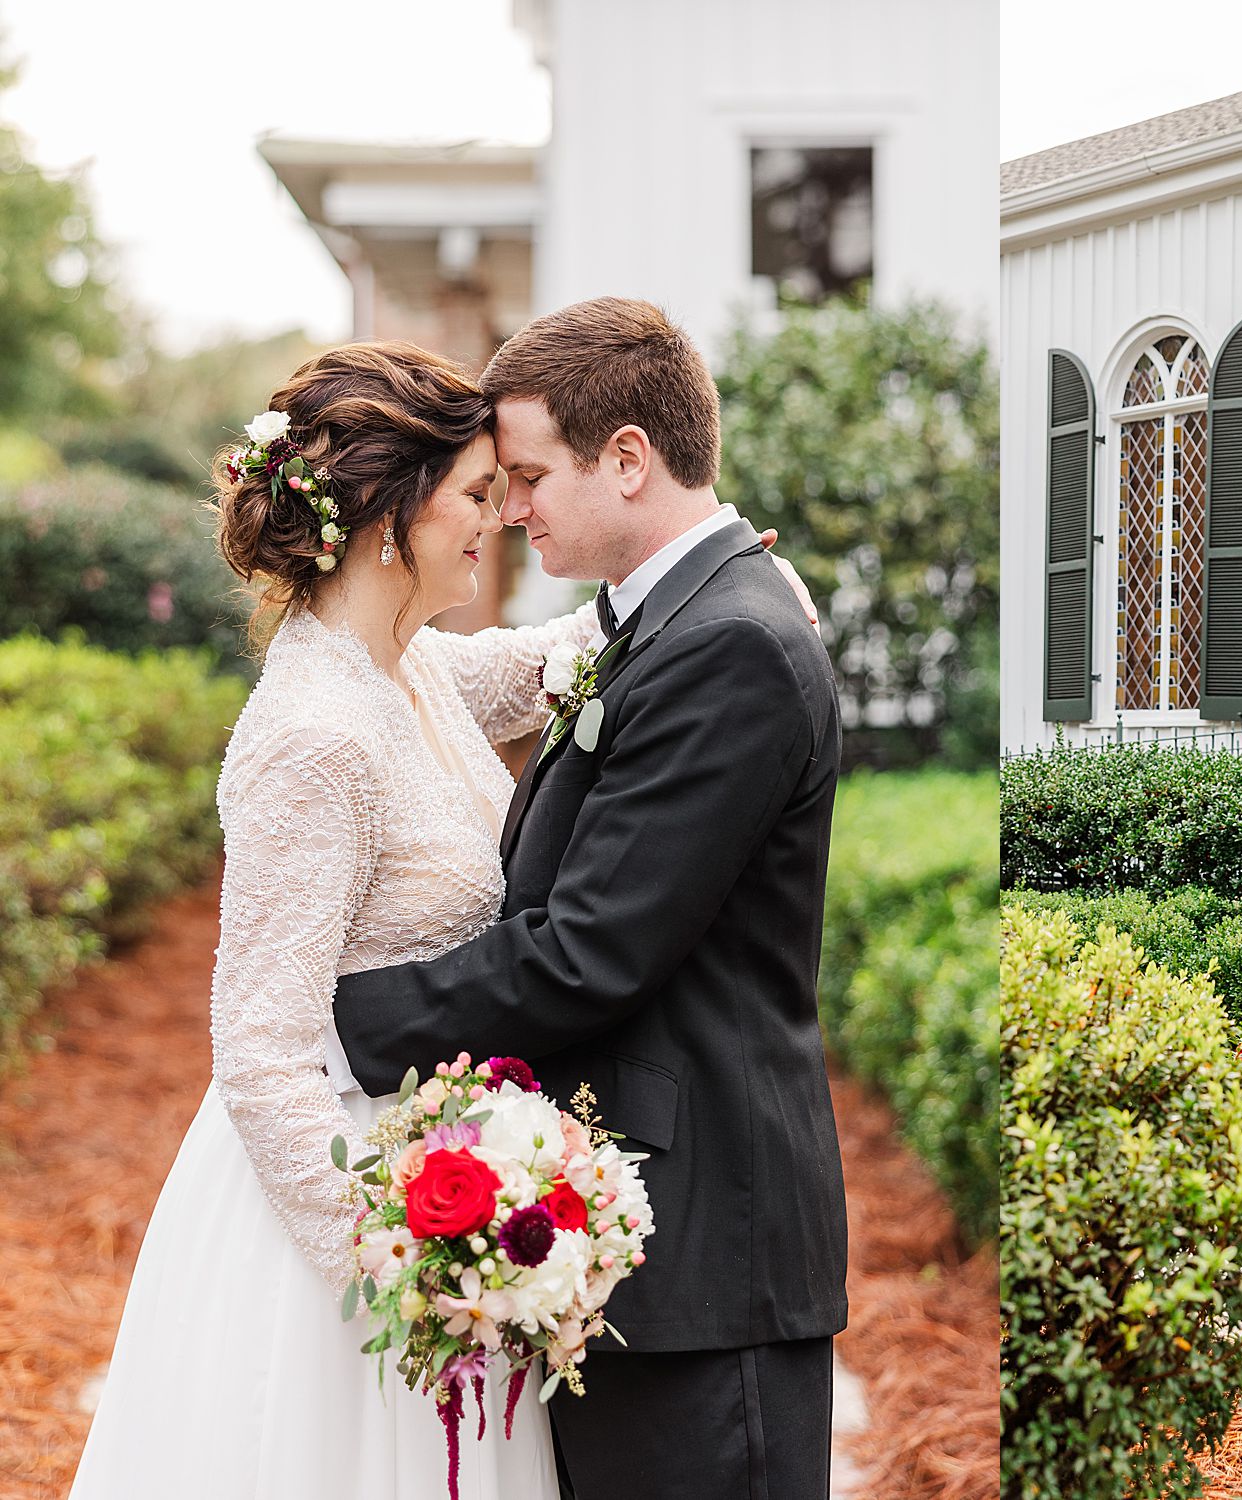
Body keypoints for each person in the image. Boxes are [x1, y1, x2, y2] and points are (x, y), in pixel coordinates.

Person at [69, 333, 818, 1500]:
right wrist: (400, 1271)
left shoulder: (408, 671)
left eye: (512, 486)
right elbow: (262, 1055)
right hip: (348, 1214)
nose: (503, 518)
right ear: (391, 517)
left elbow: (569, 655)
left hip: (449, 1172)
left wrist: (732, 574)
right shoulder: (315, 732)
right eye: (480, 492)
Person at [329, 298, 848, 1500]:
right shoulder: (665, 618)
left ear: (627, 457)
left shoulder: (728, 643)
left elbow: (586, 955)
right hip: (637, 1241)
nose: (511, 509)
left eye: (527, 476)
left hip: (707, 1255)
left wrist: (335, 1021)